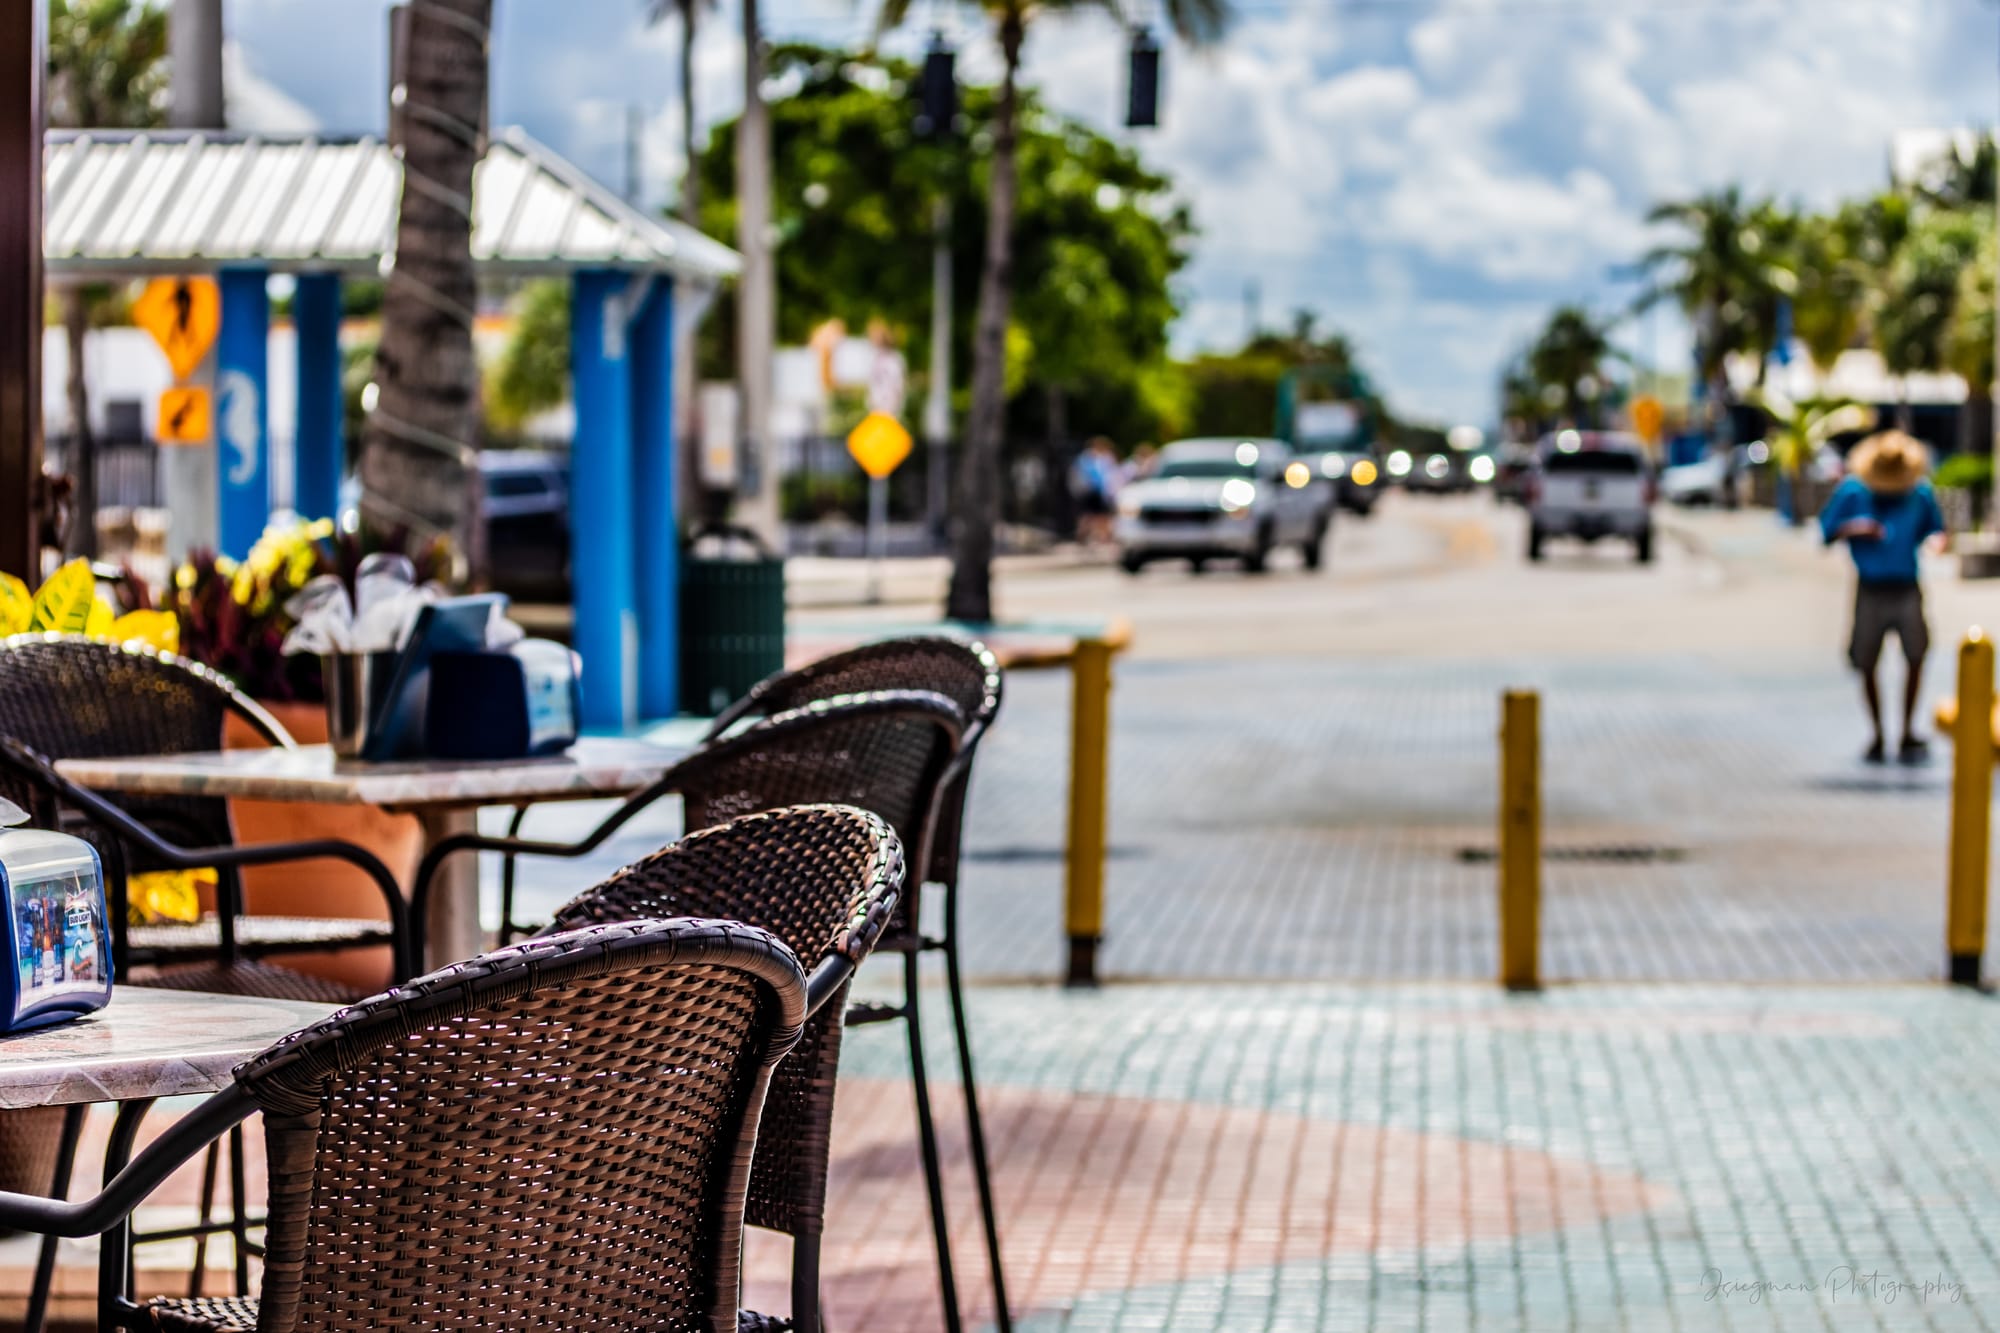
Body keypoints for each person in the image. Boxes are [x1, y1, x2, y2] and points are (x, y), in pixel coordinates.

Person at [1819, 430, 1945, 764]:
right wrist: (1855, 528)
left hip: (1906, 585)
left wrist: (1937, 542)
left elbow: (1935, 529)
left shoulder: (1919, 492)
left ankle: (1906, 730)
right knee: (1866, 661)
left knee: (1916, 656)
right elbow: (1826, 531)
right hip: (1870, 588)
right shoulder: (1853, 492)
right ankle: (1877, 732)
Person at [1069, 437, 1120, 545]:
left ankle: (1100, 537)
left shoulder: (1092, 459)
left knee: (1093, 516)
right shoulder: (1088, 459)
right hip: (1092, 492)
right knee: (1097, 516)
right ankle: (1099, 537)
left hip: (1095, 492)